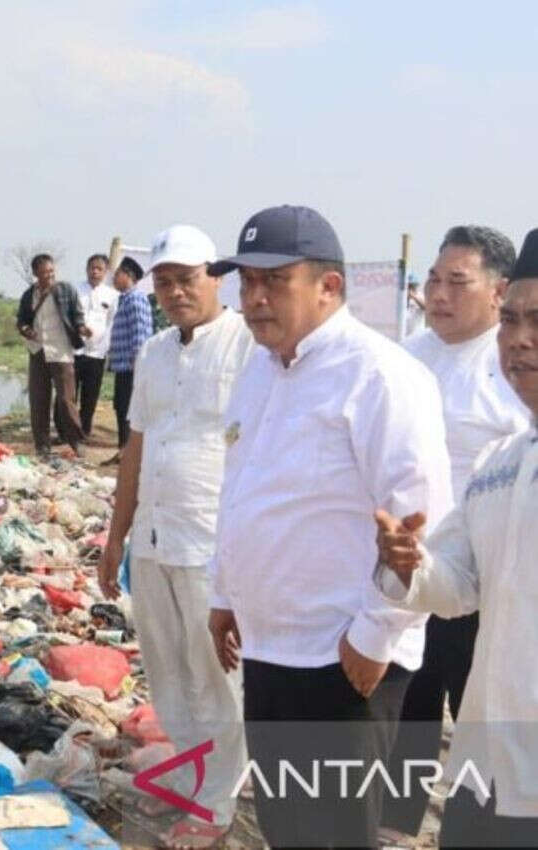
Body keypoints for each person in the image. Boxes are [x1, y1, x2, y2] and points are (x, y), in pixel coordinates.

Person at [205, 205, 452, 848]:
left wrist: (375, 636)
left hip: (342, 657)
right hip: (268, 647)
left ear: (329, 286)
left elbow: (418, 526)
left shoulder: (381, 375)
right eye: (246, 282)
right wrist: (224, 595)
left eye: (274, 281)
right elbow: (241, 489)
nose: (254, 299)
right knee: (286, 826)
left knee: (337, 832)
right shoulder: (260, 368)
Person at [373, 228, 538, 847]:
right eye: (513, 321)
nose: (519, 340)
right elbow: (458, 584)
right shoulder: (501, 464)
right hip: (486, 767)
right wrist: (409, 563)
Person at [97, 225, 255, 848]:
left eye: (187, 279)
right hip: (155, 539)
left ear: (216, 278)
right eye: (164, 282)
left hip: (212, 541)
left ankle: (215, 803)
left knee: (215, 674)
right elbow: (136, 445)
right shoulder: (156, 352)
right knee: (166, 670)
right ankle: (195, 778)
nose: (175, 291)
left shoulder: (247, 346)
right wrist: (117, 536)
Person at [16, 253, 91, 457]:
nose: (49, 275)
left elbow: (77, 316)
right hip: (38, 350)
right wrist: (27, 330)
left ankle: (76, 442)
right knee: (39, 400)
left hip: (60, 350)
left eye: (51, 271)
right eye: (44, 272)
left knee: (67, 400)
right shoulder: (28, 295)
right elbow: (21, 321)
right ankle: (42, 445)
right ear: (35, 274)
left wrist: (82, 328)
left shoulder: (66, 290)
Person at [71, 253, 118, 438]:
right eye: (92, 268)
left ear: (106, 272)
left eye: (99, 269)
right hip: (74, 350)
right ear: (86, 269)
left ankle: (83, 432)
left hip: (97, 354)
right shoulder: (75, 290)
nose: (95, 272)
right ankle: (66, 431)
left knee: (90, 397)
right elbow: (67, 317)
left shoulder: (113, 295)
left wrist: (104, 348)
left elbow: (112, 324)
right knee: (68, 395)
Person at [107, 256, 150, 449]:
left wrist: (138, 364)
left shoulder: (136, 299)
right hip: (123, 365)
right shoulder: (124, 299)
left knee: (127, 409)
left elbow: (140, 334)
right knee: (121, 406)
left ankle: (127, 450)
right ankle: (123, 448)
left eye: (117, 274)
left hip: (131, 366)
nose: (114, 278)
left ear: (128, 276)